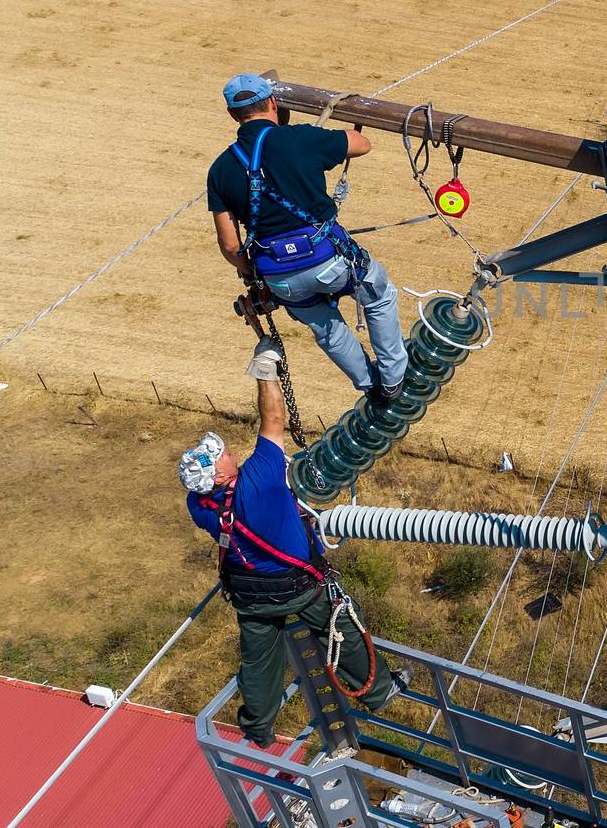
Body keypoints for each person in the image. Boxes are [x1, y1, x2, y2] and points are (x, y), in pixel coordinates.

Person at [180, 339, 409, 748]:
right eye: (221, 455)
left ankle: (259, 727)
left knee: (259, 662)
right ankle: (379, 692)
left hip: (249, 596)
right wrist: (266, 371)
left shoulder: (199, 506)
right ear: (218, 476)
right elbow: (272, 420)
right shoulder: (262, 479)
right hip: (298, 588)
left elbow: (199, 493)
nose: (229, 451)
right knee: (341, 629)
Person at [207, 74, 407, 405]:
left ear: (232, 115)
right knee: (378, 294)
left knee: (327, 329)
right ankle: (393, 379)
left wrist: (251, 274)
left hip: (279, 276)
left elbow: (230, 245)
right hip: (329, 258)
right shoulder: (299, 139)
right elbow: (361, 144)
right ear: (273, 103)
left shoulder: (220, 169)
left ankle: (370, 385)